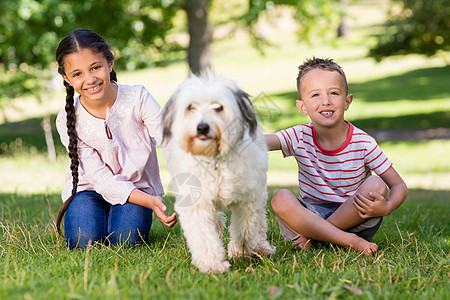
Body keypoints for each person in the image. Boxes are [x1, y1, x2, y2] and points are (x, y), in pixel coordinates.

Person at [265, 57, 408, 255]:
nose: (326, 101)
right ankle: (345, 240)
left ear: (347, 101)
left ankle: (318, 236)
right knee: (280, 198)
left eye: (334, 93)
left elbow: (399, 185)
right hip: (311, 214)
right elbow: (261, 142)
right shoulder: (298, 135)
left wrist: (388, 207)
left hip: (355, 218)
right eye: (315, 95)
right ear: (302, 106)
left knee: (376, 185)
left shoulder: (363, 142)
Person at [55, 29, 177, 249]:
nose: (89, 79)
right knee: (84, 241)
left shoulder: (138, 98)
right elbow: (99, 177)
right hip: (89, 189)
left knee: (126, 241)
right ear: (66, 78)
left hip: (136, 189)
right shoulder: (67, 119)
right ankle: (94, 214)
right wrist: (151, 203)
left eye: (95, 67)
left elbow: (171, 141)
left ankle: (123, 216)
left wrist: (188, 186)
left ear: (110, 63)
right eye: (77, 74)